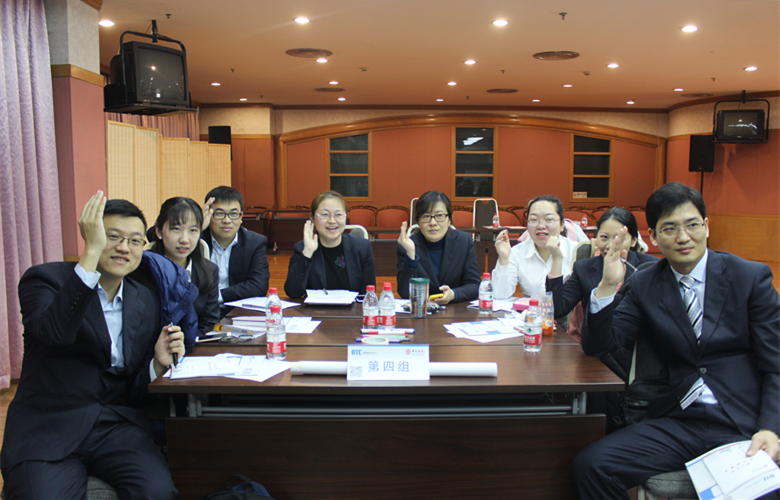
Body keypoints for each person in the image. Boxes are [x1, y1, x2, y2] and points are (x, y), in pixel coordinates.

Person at [573, 182, 780, 499]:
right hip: (681, 419)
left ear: (706, 226)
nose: (683, 237)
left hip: (743, 420)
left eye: (692, 225)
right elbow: (600, 345)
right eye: (669, 229)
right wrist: (606, 288)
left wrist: (770, 427)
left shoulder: (749, 277)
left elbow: (775, 363)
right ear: (654, 237)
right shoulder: (645, 283)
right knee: (591, 465)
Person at [1, 192, 183, 499]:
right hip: (49, 424)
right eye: (113, 237)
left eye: (135, 241)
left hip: (113, 427)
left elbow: (131, 387)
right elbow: (55, 333)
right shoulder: (44, 280)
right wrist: (91, 254)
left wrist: (156, 363)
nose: (124, 247)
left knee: (157, 492)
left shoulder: (145, 299)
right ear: (93, 236)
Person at [545, 207, 657, 341]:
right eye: (604, 237)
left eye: (619, 238)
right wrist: (557, 259)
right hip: (597, 343)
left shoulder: (650, 267)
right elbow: (557, 309)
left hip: (637, 346)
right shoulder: (584, 268)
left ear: (633, 241)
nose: (610, 245)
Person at [150, 197, 220, 338]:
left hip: (194, 346)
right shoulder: (145, 270)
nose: (184, 239)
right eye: (176, 229)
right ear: (159, 231)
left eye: (193, 230)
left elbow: (210, 323)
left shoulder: (209, 271)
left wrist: (186, 343)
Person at [284, 191, 376, 298]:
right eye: (325, 214)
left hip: (352, 308)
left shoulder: (362, 247)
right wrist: (307, 253)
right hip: (316, 308)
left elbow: (368, 294)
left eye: (338, 215)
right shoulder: (302, 248)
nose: (332, 221)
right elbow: (293, 293)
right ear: (312, 218)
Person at [397, 190, 480, 304]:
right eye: (426, 216)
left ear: (449, 219)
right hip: (422, 310)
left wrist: (454, 294)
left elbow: (474, 285)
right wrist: (411, 255)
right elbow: (404, 293)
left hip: (456, 311)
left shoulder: (464, 241)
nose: (433, 222)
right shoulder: (408, 245)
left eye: (439, 215)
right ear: (418, 221)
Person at [492, 195, 577, 299]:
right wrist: (504, 259)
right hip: (531, 308)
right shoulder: (517, 252)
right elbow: (500, 295)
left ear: (562, 225)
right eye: (534, 219)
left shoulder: (576, 251)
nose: (541, 226)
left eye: (549, 219)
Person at [201, 186, 269, 314]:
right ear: (208, 215)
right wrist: (197, 228)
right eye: (219, 214)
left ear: (241, 216)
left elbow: (259, 286)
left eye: (233, 214)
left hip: (237, 311)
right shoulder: (196, 241)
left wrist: (216, 296)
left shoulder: (254, 243)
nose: (227, 220)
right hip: (200, 311)